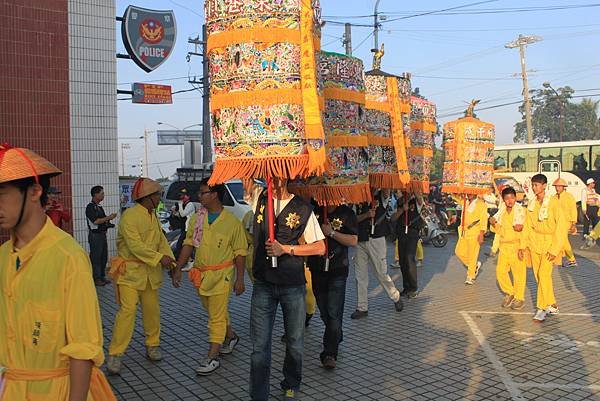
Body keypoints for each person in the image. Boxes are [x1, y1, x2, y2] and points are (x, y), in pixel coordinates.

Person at [0, 144, 116, 400]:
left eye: (2, 193)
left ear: (34, 191)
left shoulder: (68, 257)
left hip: (54, 392)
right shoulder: (3, 256)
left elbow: (83, 348)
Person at [248, 178, 326, 401]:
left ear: (288, 176)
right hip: (263, 283)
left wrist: (286, 249)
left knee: (294, 341)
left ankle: (291, 381)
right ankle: (258, 395)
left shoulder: (302, 208)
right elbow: (246, 182)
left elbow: (320, 247)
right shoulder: (259, 199)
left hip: (292, 285)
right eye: (271, 172)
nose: (276, 177)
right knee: (259, 346)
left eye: (280, 173)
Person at [171, 178, 247, 375]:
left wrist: (240, 279)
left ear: (214, 195)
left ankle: (212, 357)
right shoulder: (197, 218)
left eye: (203, 192)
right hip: (200, 276)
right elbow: (188, 243)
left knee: (215, 317)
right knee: (215, 312)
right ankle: (231, 336)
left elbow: (240, 252)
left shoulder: (232, 222)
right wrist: (178, 268)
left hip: (222, 276)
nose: (199, 196)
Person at [106, 178, 175, 375]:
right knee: (127, 311)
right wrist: (159, 258)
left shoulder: (152, 215)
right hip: (130, 274)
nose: (159, 199)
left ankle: (152, 345)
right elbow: (135, 246)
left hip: (149, 274)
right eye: (157, 195)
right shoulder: (129, 217)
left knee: (152, 311)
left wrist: (170, 261)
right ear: (148, 197)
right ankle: (115, 354)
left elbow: (161, 241)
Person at [307, 203, 358, 370]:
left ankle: (330, 353)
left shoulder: (346, 213)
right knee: (324, 310)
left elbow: (353, 240)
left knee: (334, 312)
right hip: (317, 268)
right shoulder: (312, 211)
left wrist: (332, 233)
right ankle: (336, 334)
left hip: (338, 269)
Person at [352, 190, 404, 319]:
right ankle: (362, 307)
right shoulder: (356, 199)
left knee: (381, 273)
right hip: (360, 240)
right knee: (360, 275)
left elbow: (386, 191)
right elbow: (353, 219)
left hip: (377, 240)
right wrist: (367, 215)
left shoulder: (381, 196)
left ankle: (395, 296)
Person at [524, 174, 566, 323]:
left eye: (536, 185)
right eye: (533, 185)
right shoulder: (531, 203)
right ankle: (551, 303)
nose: (534, 188)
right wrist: (524, 246)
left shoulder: (553, 202)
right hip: (534, 243)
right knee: (538, 276)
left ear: (544, 186)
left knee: (543, 274)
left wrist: (555, 249)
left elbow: (561, 227)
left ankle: (541, 308)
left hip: (549, 243)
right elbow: (527, 226)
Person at [489, 187, 527, 310]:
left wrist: (522, 248)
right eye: (507, 198)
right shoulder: (501, 213)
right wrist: (493, 223)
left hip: (517, 246)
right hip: (504, 246)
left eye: (512, 198)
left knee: (519, 274)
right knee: (500, 272)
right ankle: (510, 292)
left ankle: (519, 298)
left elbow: (526, 231)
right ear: (503, 200)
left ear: (516, 198)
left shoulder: (522, 212)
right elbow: (499, 231)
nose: (510, 201)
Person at [393, 195, 425, 298]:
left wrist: (416, 190)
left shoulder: (417, 200)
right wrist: (402, 209)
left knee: (409, 259)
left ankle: (413, 287)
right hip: (401, 232)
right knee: (402, 261)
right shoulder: (400, 201)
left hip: (412, 232)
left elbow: (420, 201)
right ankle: (406, 287)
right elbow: (393, 218)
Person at [86, 185, 117, 286]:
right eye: (102, 193)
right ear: (95, 194)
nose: (103, 195)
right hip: (95, 236)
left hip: (102, 235)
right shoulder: (90, 207)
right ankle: (96, 278)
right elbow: (96, 221)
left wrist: (108, 223)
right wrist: (109, 217)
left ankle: (102, 276)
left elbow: (103, 221)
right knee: (96, 257)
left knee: (103, 256)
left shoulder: (99, 207)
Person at [455, 194, 488, 285]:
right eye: (468, 191)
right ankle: (474, 266)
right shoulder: (465, 201)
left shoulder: (481, 204)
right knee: (459, 252)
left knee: (472, 254)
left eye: (471, 192)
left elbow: (484, 219)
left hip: (475, 231)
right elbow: (456, 197)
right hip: (463, 231)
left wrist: (481, 234)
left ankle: (470, 276)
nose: (469, 194)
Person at [552, 178, 578, 267]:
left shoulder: (569, 196)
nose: (557, 188)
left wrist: (573, 223)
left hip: (566, 221)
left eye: (559, 186)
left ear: (563, 187)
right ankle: (568, 259)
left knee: (563, 240)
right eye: (556, 186)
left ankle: (571, 260)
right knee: (561, 240)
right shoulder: (554, 197)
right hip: (557, 222)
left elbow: (573, 210)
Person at [171, 187, 195, 260]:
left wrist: (180, 205)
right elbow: (180, 215)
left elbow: (183, 214)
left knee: (180, 244)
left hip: (188, 229)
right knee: (186, 245)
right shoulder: (184, 204)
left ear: (188, 196)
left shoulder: (190, 204)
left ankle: (179, 260)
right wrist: (174, 211)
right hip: (183, 228)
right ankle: (189, 260)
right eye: (181, 196)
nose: (182, 197)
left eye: (184, 196)